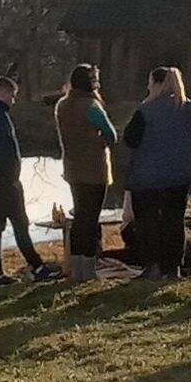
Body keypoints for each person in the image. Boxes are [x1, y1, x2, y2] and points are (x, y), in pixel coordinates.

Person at [0, 73, 58, 285]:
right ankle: (37, 267)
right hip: (4, 181)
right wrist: (12, 176)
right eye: (12, 95)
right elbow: (3, 151)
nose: (14, 100)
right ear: (3, 93)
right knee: (19, 223)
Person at [116, 64, 191, 276]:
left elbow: (130, 139)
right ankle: (174, 267)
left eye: (150, 83)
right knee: (175, 221)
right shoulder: (189, 109)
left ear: (156, 85)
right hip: (179, 176)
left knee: (148, 223)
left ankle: (152, 266)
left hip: (148, 178)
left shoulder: (145, 111)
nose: (148, 87)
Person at [51, 61, 118, 281]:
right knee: (91, 220)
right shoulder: (91, 106)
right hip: (95, 170)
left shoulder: (62, 105)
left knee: (79, 218)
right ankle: (89, 271)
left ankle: (76, 269)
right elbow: (111, 134)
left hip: (72, 169)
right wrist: (101, 142)